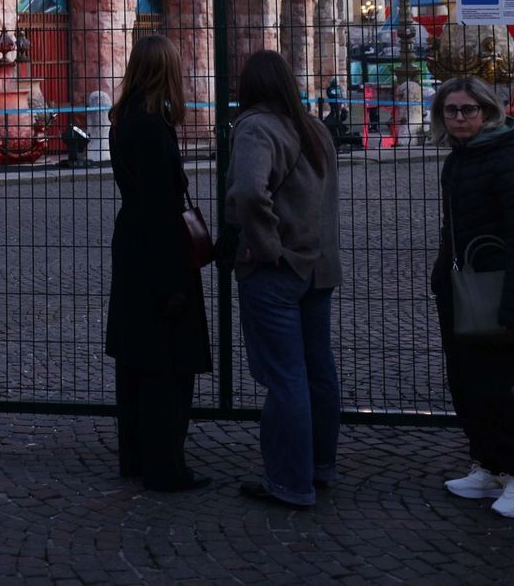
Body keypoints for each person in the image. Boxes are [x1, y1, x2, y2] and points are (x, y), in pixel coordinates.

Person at [429, 76, 514, 519]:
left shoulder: (510, 160)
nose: (460, 117)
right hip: (465, 291)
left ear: (488, 111)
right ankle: (491, 466)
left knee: (491, 388)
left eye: (468, 110)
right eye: (451, 110)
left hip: (506, 294)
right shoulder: (460, 159)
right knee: (465, 386)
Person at [226, 48, 341, 510]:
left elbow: (250, 192)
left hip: (280, 268)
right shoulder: (313, 126)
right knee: (317, 371)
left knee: (285, 376)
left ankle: (290, 482)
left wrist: (267, 246)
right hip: (318, 267)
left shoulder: (256, 127)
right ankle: (319, 464)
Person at [105, 34, 211, 493]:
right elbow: (159, 204)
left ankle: (136, 454)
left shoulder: (124, 117)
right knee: (166, 363)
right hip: (158, 250)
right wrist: (174, 282)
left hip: (133, 243)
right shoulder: (151, 125)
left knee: (135, 358)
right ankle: (165, 465)